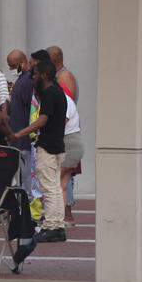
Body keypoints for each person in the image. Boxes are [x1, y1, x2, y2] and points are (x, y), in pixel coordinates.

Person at [9, 60, 68, 242]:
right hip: (58, 146)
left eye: (35, 75)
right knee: (55, 187)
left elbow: (42, 120)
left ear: (43, 75)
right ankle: (57, 224)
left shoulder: (50, 94)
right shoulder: (59, 92)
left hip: (48, 147)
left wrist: (20, 133)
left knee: (48, 188)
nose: (33, 78)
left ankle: (51, 226)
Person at [48, 44, 82, 223]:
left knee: (64, 175)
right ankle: (62, 213)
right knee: (60, 176)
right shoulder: (59, 76)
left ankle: (66, 212)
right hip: (63, 133)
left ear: (54, 60)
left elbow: (66, 106)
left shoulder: (64, 76)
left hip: (66, 135)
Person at [6, 49, 37, 194]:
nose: (11, 69)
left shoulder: (27, 81)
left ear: (22, 62)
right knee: (20, 179)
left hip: (23, 139)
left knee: (26, 180)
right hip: (18, 138)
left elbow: (30, 110)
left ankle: (28, 211)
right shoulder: (22, 80)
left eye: (13, 66)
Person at [61, 92, 84, 226]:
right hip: (72, 144)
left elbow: (62, 123)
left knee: (57, 182)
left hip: (69, 144)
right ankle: (63, 217)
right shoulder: (66, 100)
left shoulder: (65, 101)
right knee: (63, 183)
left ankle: (60, 217)